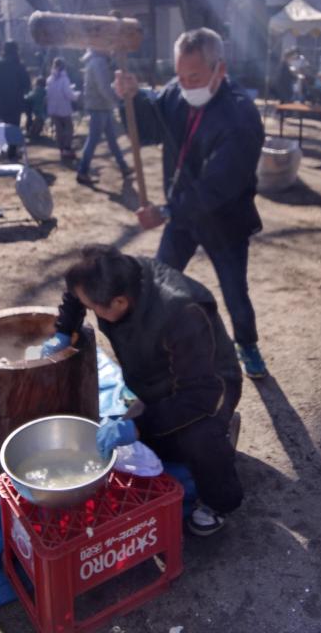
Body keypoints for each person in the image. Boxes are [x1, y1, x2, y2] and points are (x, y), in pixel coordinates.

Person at [41, 244, 243, 536]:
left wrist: (136, 427)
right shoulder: (110, 276)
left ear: (119, 302)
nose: (91, 310)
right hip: (158, 378)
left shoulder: (182, 313)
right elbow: (77, 293)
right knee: (153, 440)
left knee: (195, 438)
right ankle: (197, 430)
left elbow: (199, 394)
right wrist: (64, 329)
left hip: (211, 386)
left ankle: (219, 501)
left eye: (94, 308)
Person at [115, 27, 267, 379]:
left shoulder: (241, 116)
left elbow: (217, 186)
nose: (185, 85)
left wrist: (166, 211)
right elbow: (150, 125)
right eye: (180, 76)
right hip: (184, 216)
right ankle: (150, 351)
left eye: (194, 77)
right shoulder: (177, 93)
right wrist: (131, 98)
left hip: (225, 219)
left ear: (220, 70)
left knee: (234, 290)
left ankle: (247, 344)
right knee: (159, 283)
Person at [76, 48, 132, 185]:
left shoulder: (96, 61)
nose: (111, 50)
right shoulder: (98, 62)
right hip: (99, 107)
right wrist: (117, 101)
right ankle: (82, 171)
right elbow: (103, 88)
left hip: (102, 106)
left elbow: (104, 86)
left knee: (112, 140)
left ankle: (123, 167)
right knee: (93, 141)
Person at [46, 57, 76, 158]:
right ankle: (67, 148)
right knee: (68, 128)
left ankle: (61, 149)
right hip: (64, 108)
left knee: (59, 130)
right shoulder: (64, 79)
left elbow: (48, 94)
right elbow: (68, 94)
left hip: (53, 108)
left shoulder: (50, 79)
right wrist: (75, 96)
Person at [23, 76, 47, 140]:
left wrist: (24, 96)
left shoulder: (37, 90)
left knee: (36, 122)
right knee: (40, 121)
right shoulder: (45, 90)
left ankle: (33, 134)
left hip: (37, 109)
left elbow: (29, 97)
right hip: (43, 109)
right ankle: (36, 133)